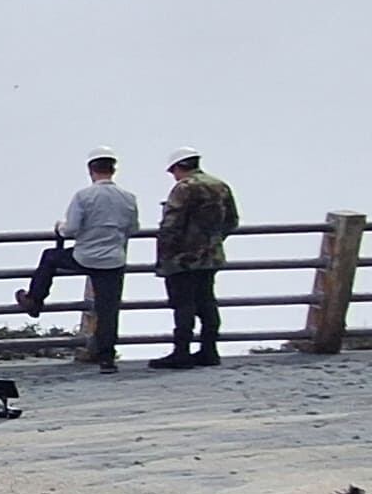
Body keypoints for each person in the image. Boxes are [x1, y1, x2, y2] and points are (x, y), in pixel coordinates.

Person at [52, 153, 142, 370]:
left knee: (49, 258)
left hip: (85, 256)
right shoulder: (128, 197)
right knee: (108, 310)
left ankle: (35, 299)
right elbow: (133, 228)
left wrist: (59, 228)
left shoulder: (83, 196)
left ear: (91, 171)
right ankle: (106, 358)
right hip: (114, 259)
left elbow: (71, 229)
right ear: (113, 170)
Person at [153, 149, 240, 367]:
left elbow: (171, 225)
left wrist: (165, 255)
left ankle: (181, 352)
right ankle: (209, 351)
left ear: (178, 167)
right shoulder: (220, 185)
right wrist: (213, 241)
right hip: (211, 256)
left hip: (183, 258)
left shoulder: (184, 188)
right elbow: (232, 221)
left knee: (183, 305)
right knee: (207, 302)